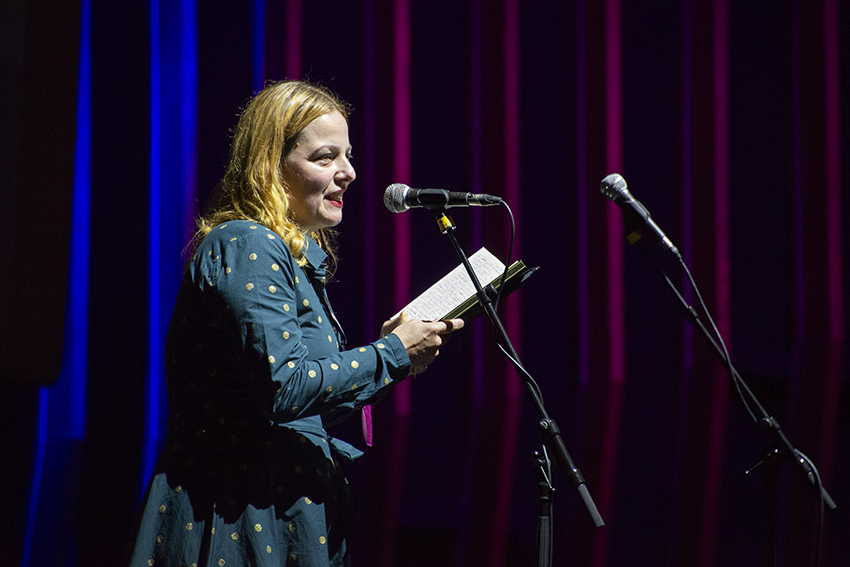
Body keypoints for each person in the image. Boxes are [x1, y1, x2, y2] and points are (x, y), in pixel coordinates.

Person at [128, 80, 463, 567]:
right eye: (325, 157)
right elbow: (284, 388)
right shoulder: (247, 242)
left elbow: (305, 407)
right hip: (234, 516)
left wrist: (394, 355)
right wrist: (390, 354)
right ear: (271, 165)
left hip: (275, 509)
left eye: (348, 156)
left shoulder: (287, 256)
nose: (348, 172)